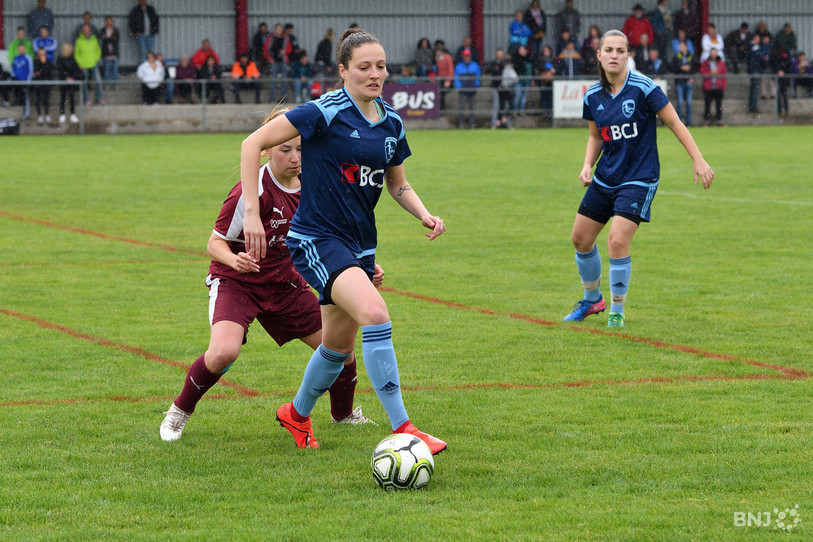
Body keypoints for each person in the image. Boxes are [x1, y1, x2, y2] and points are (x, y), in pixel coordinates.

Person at [239, 27, 447, 454]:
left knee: (336, 346)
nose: (375, 74)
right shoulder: (324, 111)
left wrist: (425, 215)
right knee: (375, 312)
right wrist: (252, 213)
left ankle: (295, 415)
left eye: (381, 66)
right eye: (364, 67)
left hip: (360, 245)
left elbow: (397, 185)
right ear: (343, 71)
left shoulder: (391, 122)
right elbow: (252, 143)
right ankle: (403, 426)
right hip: (316, 239)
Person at [159, 106, 380, 441]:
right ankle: (179, 411)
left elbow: (334, 234)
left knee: (340, 347)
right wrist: (234, 262)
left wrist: (363, 266)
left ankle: (344, 413)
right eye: (285, 150)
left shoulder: (314, 187)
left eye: (302, 148)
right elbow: (215, 243)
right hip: (237, 283)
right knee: (224, 352)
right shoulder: (251, 192)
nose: (295, 157)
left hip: (285, 285)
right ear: (267, 150)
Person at [564, 30, 713, 329]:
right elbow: (596, 135)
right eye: (609, 50)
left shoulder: (644, 88)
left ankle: (616, 312)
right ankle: (593, 299)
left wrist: (698, 159)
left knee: (617, 241)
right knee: (580, 239)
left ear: (628, 55)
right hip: (606, 177)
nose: (615, 55)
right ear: (599, 55)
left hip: (640, 177)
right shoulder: (593, 95)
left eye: (621, 50)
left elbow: (674, 122)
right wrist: (586, 165)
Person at [74, 23, 104, 106]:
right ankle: (86, 100)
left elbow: (98, 50)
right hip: (84, 65)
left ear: (90, 31)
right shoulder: (79, 41)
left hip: (93, 64)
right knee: (84, 82)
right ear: (82, 31)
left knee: (98, 81)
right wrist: (80, 64)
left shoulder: (94, 39)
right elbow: (76, 54)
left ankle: (100, 98)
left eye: (88, 30)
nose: (86, 32)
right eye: (85, 30)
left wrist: (95, 59)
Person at [484, 47, 512, 129]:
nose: (499, 56)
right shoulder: (493, 63)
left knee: (506, 106)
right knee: (496, 106)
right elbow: (488, 70)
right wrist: (495, 69)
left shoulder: (507, 64)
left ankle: (506, 123)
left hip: (505, 88)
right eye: (498, 54)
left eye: (501, 54)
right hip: (496, 88)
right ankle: (494, 123)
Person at [454, 47, 481, 129]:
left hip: (472, 89)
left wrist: (476, 85)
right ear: (463, 57)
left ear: (470, 56)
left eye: (468, 56)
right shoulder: (459, 66)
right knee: (462, 107)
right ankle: (461, 124)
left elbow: (478, 77)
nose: (467, 58)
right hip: (463, 90)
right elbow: (456, 78)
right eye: (465, 56)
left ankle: (472, 124)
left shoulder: (475, 66)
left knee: (472, 107)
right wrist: (459, 87)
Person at [699, 47, 727, 125]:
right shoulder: (705, 63)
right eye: (712, 52)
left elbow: (724, 75)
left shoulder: (721, 63)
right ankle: (706, 121)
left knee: (719, 105)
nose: (714, 54)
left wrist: (723, 85)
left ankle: (719, 120)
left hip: (718, 87)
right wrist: (710, 74)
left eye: (715, 53)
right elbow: (702, 73)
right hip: (708, 87)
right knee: (707, 105)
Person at [670, 39, 695, 124]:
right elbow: (672, 68)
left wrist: (692, 77)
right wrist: (681, 68)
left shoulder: (691, 56)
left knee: (688, 102)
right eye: (679, 46)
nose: (680, 47)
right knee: (680, 102)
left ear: (686, 46)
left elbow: (695, 67)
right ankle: (679, 122)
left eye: (682, 46)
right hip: (679, 82)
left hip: (688, 82)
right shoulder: (676, 57)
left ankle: (688, 122)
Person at [55, 43, 81, 123]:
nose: (71, 49)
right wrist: (66, 77)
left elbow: (76, 70)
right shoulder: (60, 58)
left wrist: (72, 77)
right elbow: (60, 70)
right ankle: (62, 114)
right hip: (63, 81)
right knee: (63, 98)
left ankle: (72, 114)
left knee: (72, 98)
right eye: (70, 48)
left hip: (71, 82)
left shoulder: (72, 58)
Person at [129, 0, 160, 64]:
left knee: (151, 51)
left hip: (150, 34)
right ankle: (143, 69)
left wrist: (155, 30)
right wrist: (135, 31)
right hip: (141, 34)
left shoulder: (150, 9)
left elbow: (156, 20)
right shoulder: (136, 10)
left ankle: (151, 68)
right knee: (143, 52)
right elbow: (131, 22)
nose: (143, 1)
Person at [263, 24, 287, 103]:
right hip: (274, 62)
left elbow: (289, 48)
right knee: (273, 80)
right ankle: (272, 98)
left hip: (283, 62)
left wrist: (285, 52)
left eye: (280, 29)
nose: (278, 31)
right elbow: (266, 49)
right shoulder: (271, 38)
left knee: (284, 80)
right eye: (277, 29)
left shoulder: (285, 38)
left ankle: (284, 98)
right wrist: (270, 59)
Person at [11, 44, 33, 121]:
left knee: (25, 98)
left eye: (22, 49)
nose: (21, 50)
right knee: (18, 98)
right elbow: (13, 69)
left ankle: (26, 115)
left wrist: (28, 81)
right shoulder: (16, 58)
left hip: (25, 82)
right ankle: (16, 116)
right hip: (17, 82)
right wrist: (13, 78)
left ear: (25, 49)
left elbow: (30, 70)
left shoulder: (28, 58)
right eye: (19, 49)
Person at [32, 47, 53, 124]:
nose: (42, 56)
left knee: (46, 100)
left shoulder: (48, 62)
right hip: (38, 85)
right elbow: (37, 73)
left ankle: (47, 115)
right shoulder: (36, 62)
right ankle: (39, 115)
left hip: (46, 85)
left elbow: (49, 73)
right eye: (40, 54)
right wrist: (42, 69)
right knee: (38, 100)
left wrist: (44, 65)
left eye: (43, 54)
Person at [511, 44, 533, 114]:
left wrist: (533, 79)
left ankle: (521, 111)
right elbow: (516, 70)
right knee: (517, 96)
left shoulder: (530, 59)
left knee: (523, 98)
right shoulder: (515, 58)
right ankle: (514, 111)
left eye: (523, 50)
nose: (522, 51)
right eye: (520, 50)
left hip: (527, 81)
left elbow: (532, 70)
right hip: (518, 81)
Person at [100, 16, 120, 88]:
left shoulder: (116, 30)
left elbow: (115, 41)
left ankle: (115, 84)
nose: (109, 22)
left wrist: (107, 38)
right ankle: (106, 84)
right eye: (107, 21)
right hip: (106, 53)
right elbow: (104, 41)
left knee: (115, 69)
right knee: (106, 69)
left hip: (114, 52)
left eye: (110, 21)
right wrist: (111, 39)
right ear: (105, 22)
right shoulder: (103, 30)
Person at [745, 33, 762, 113]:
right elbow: (760, 57)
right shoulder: (753, 46)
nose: (759, 40)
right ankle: (753, 107)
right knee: (755, 89)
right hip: (754, 70)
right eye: (757, 38)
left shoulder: (751, 47)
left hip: (754, 69)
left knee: (754, 88)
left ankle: (753, 106)